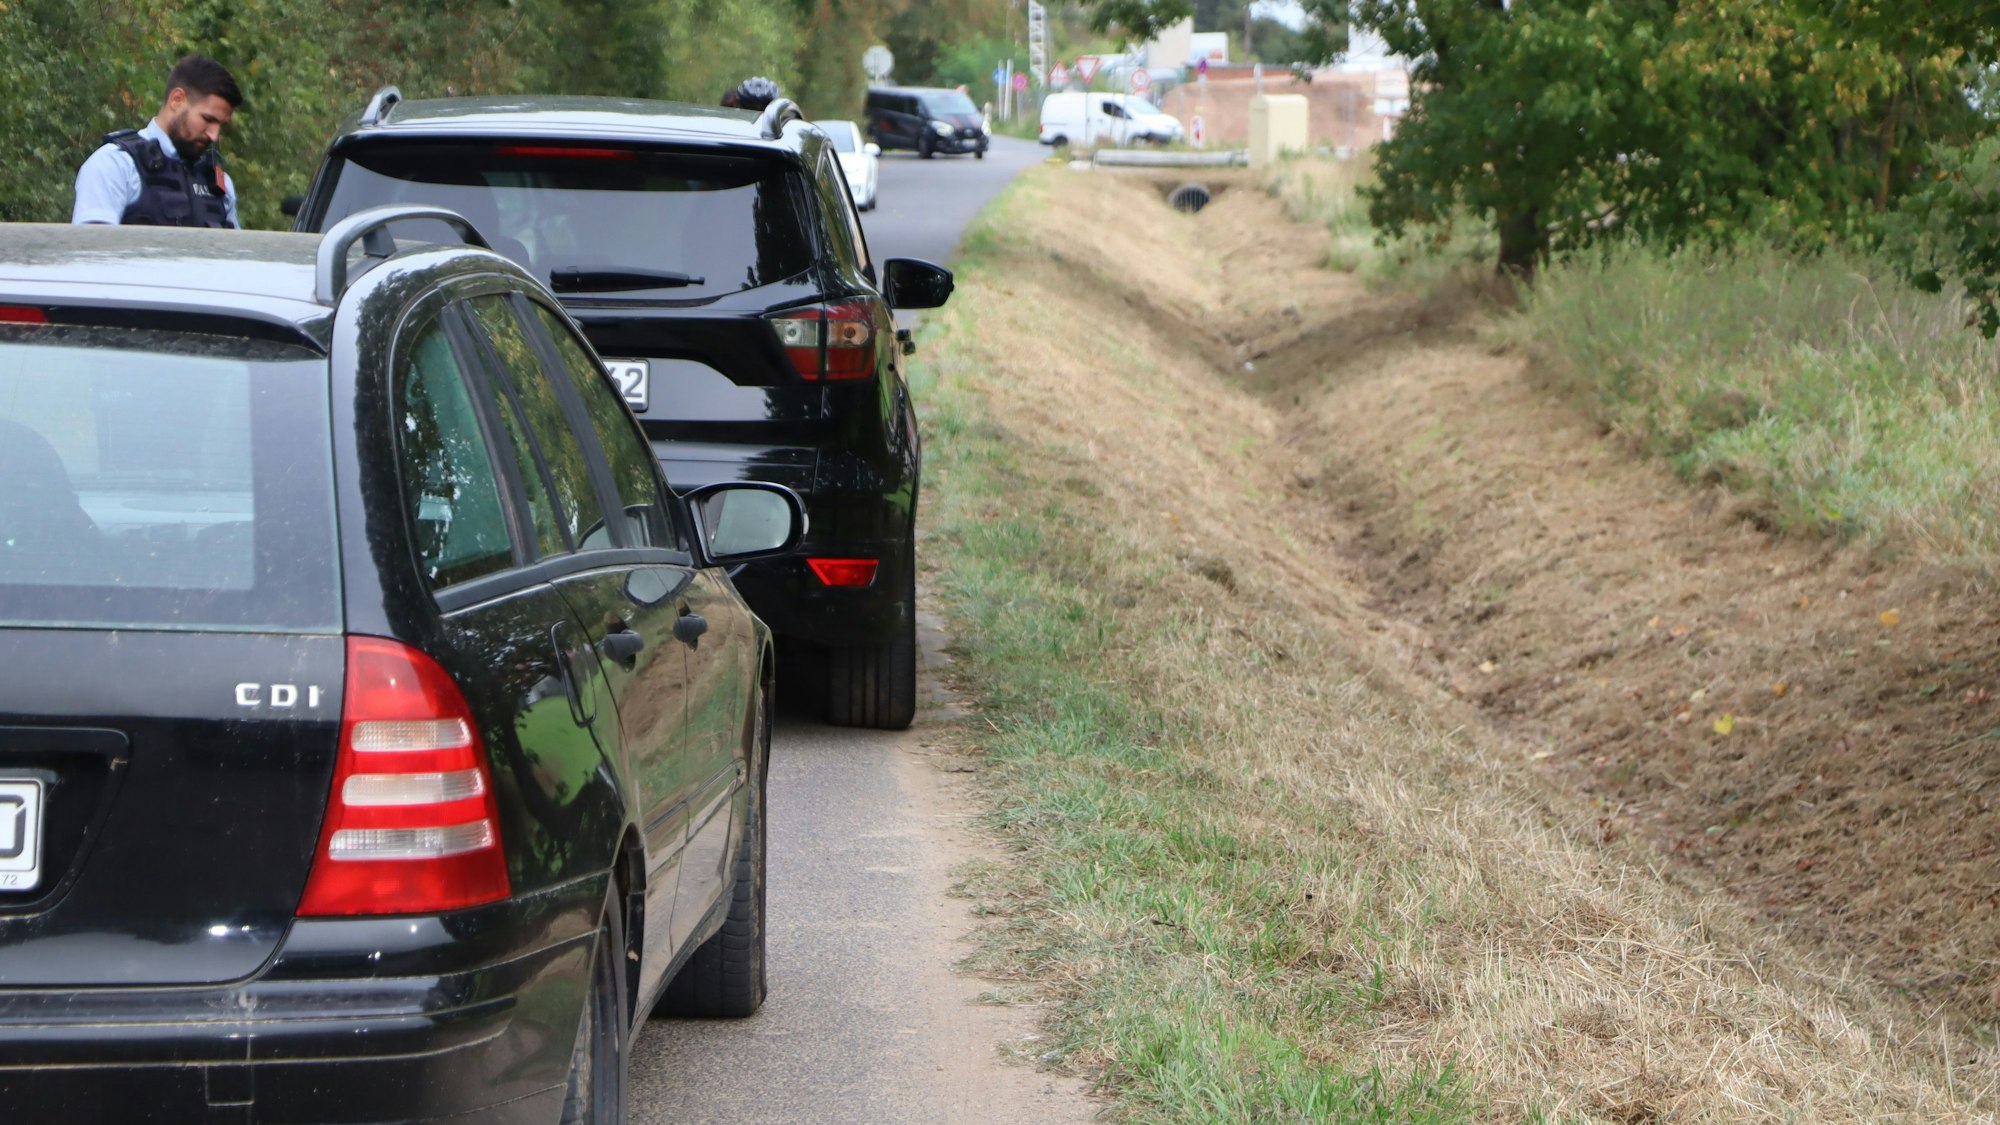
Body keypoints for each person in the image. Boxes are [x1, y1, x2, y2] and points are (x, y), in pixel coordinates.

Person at [73, 54, 242, 228]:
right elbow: (93, 251)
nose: (214, 136)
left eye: (221, 125)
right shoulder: (114, 166)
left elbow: (234, 253)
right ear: (177, 100)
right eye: (207, 119)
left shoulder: (220, 184)